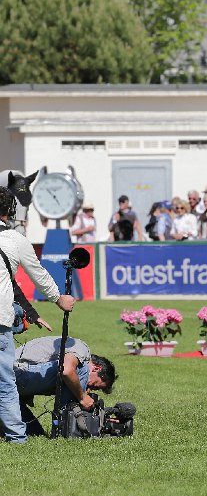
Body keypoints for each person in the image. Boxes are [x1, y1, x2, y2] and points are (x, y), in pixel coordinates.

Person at [0, 186, 76, 443]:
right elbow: (38, 274)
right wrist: (58, 298)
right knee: (5, 382)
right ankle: (16, 436)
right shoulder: (15, 239)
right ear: (11, 211)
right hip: (0, 320)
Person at [14, 337, 116, 436]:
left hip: (9, 381)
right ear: (97, 368)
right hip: (17, 372)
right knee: (81, 370)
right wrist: (82, 397)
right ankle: (64, 428)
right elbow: (66, 370)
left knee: (36, 433)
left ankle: (63, 426)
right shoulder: (82, 348)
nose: (89, 389)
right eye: (93, 386)